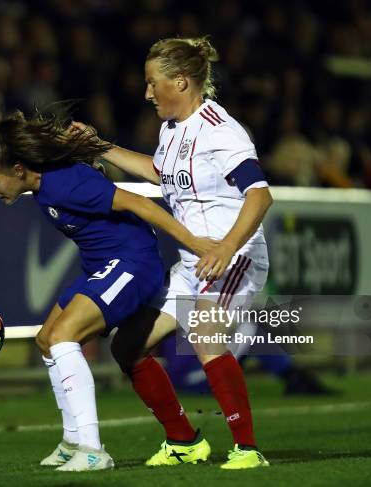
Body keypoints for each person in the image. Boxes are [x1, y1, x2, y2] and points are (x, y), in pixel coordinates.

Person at [0, 107, 217, 472]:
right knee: (47, 339)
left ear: (18, 170)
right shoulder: (44, 183)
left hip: (132, 263)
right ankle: (73, 440)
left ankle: (92, 449)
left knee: (64, 337)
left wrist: (195, 244)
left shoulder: (64, 183)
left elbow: (138, 203)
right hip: (103, 266)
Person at [72, 36, 272, 469]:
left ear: (180, 82)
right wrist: (98, 146)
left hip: (234, 255)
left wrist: (228, 246)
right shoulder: (172, 128)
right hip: (192, 262)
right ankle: (183, 441)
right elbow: (162, 174)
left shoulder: (221, 129)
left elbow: (259, 195)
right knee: (128, 348)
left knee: (204, 336)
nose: (146, 94)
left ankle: (248, 449)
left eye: (152, 84)